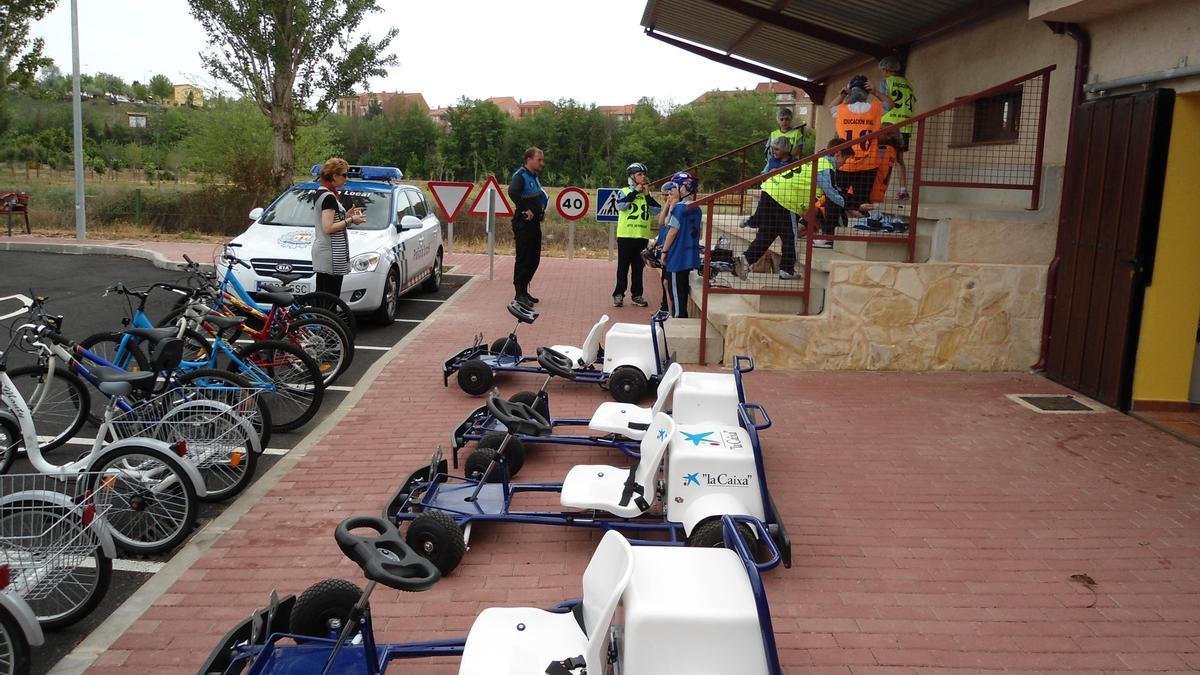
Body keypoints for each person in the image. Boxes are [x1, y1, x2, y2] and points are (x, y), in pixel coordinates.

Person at [829, 77, 892, 234]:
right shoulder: (875, 109)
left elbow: (831, 107)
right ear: (867, 92)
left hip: (845, 162)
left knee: (837, 198)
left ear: (850, 91)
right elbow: (891, 104)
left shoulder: (841, 110)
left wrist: (842, 94)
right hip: (868, 163)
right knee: (864, 200)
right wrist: (876, 92)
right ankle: (862, 231)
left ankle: (832, 231)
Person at [312, 157, 367, 297]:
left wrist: (347, 215)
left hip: (327, 253)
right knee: (330, 297)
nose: (346, 178)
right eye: (344, 175)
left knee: (324, 297)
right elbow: (328, 227)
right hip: (331, 254)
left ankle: (322, 319)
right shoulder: (329, 197)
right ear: (334, 176)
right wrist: (351, 220)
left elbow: (329, 219)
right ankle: (324, 320)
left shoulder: (322, 193)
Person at [651, 172, 701, 318]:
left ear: (684, 189)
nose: (673, 190)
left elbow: (672, 231)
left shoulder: (679, 208)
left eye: (675, 187)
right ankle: (680, 316)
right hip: (688, 255)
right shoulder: (696, 208)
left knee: (676, 294)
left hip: (676, 257)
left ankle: (679, 320)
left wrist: (664, 252)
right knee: (682, 290)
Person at [612, 162, 661, 307]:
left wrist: (646, 195)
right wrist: (635, 192)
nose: (643, 177)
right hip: (626, 235)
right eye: (640, 174)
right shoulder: (625, 191)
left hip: (641, 236)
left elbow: (656, 210)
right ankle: (619, 294)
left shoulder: (647, 194)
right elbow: (621, 205)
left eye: (644, 174)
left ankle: (637, 295)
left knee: (638, 268)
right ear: (632, 177)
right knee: (623, 267)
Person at [507, 147, 546, 306]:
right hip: (524, 224)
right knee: (523, 259)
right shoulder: (520, 176)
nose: (542, 163)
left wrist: (540, 210)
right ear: (529, 159)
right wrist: (525, 209)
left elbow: (537, 195)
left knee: (534, 259)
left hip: (535, 224)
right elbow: (512, 192)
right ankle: (519, 294)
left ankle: (525, 290)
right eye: (539, 160)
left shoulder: (534, 176)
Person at [878, 55, 916, 187]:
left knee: (882, 157)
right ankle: (903, 189)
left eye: (882, 70)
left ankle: (879, 188)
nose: (882, 73)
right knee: (899, 159)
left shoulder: (886, 82)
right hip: (905, 124)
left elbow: (885, 104)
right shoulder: (908, 84)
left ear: (886, 70)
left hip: (888, 124)